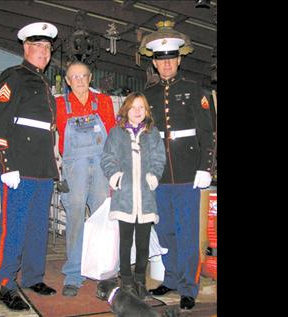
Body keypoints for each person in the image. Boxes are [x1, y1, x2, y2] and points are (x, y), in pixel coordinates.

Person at [0, 21, 59, 311]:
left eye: (47, 47)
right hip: (18, 167)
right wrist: (8, 164)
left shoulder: (42, 82)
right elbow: (0, 119)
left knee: (38, 226)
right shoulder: (13, 76)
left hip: (42, 167)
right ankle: (5, 283)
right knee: (13, 226)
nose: (43, 51)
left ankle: (32, 276)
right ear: (26, 47)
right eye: (38, 46)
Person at [143, 32, 216, 309]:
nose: (166, 64)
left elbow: (208, 133)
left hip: (187, 173)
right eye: (161, 61)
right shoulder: (147, 95)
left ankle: (188, 286)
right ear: (155, 64)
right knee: (165, 230)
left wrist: (205, 167)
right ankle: (171, 278)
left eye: (171, 59)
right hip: (159, 175)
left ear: (178, 60)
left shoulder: (196, 90)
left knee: (186, 232)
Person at [55, 61, 116, 296]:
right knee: (75, 217)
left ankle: (104, 271)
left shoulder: (104, 102)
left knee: (103, 217)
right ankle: (74, 274)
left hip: (101, 165)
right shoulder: (59, 103)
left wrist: (115, 170)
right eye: (74, 77)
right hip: (73, 167)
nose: (79, 80)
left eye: (83, 76)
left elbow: (111, 134)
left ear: (90, 78)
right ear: (68, 81)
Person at [100, 92, 166, 300]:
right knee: (125, 241)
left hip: (145, 198)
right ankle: (126, 281)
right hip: (125, 198)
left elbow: (159, 158)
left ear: (147, 111)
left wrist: (154, 176)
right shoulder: (115, 133)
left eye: (142, 108)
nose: (137, 112)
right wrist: (116, 178)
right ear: (126, 110)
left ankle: (140, 280)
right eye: (133, 107)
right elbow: (107, 158)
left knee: (144, 243)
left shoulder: (152, 133)